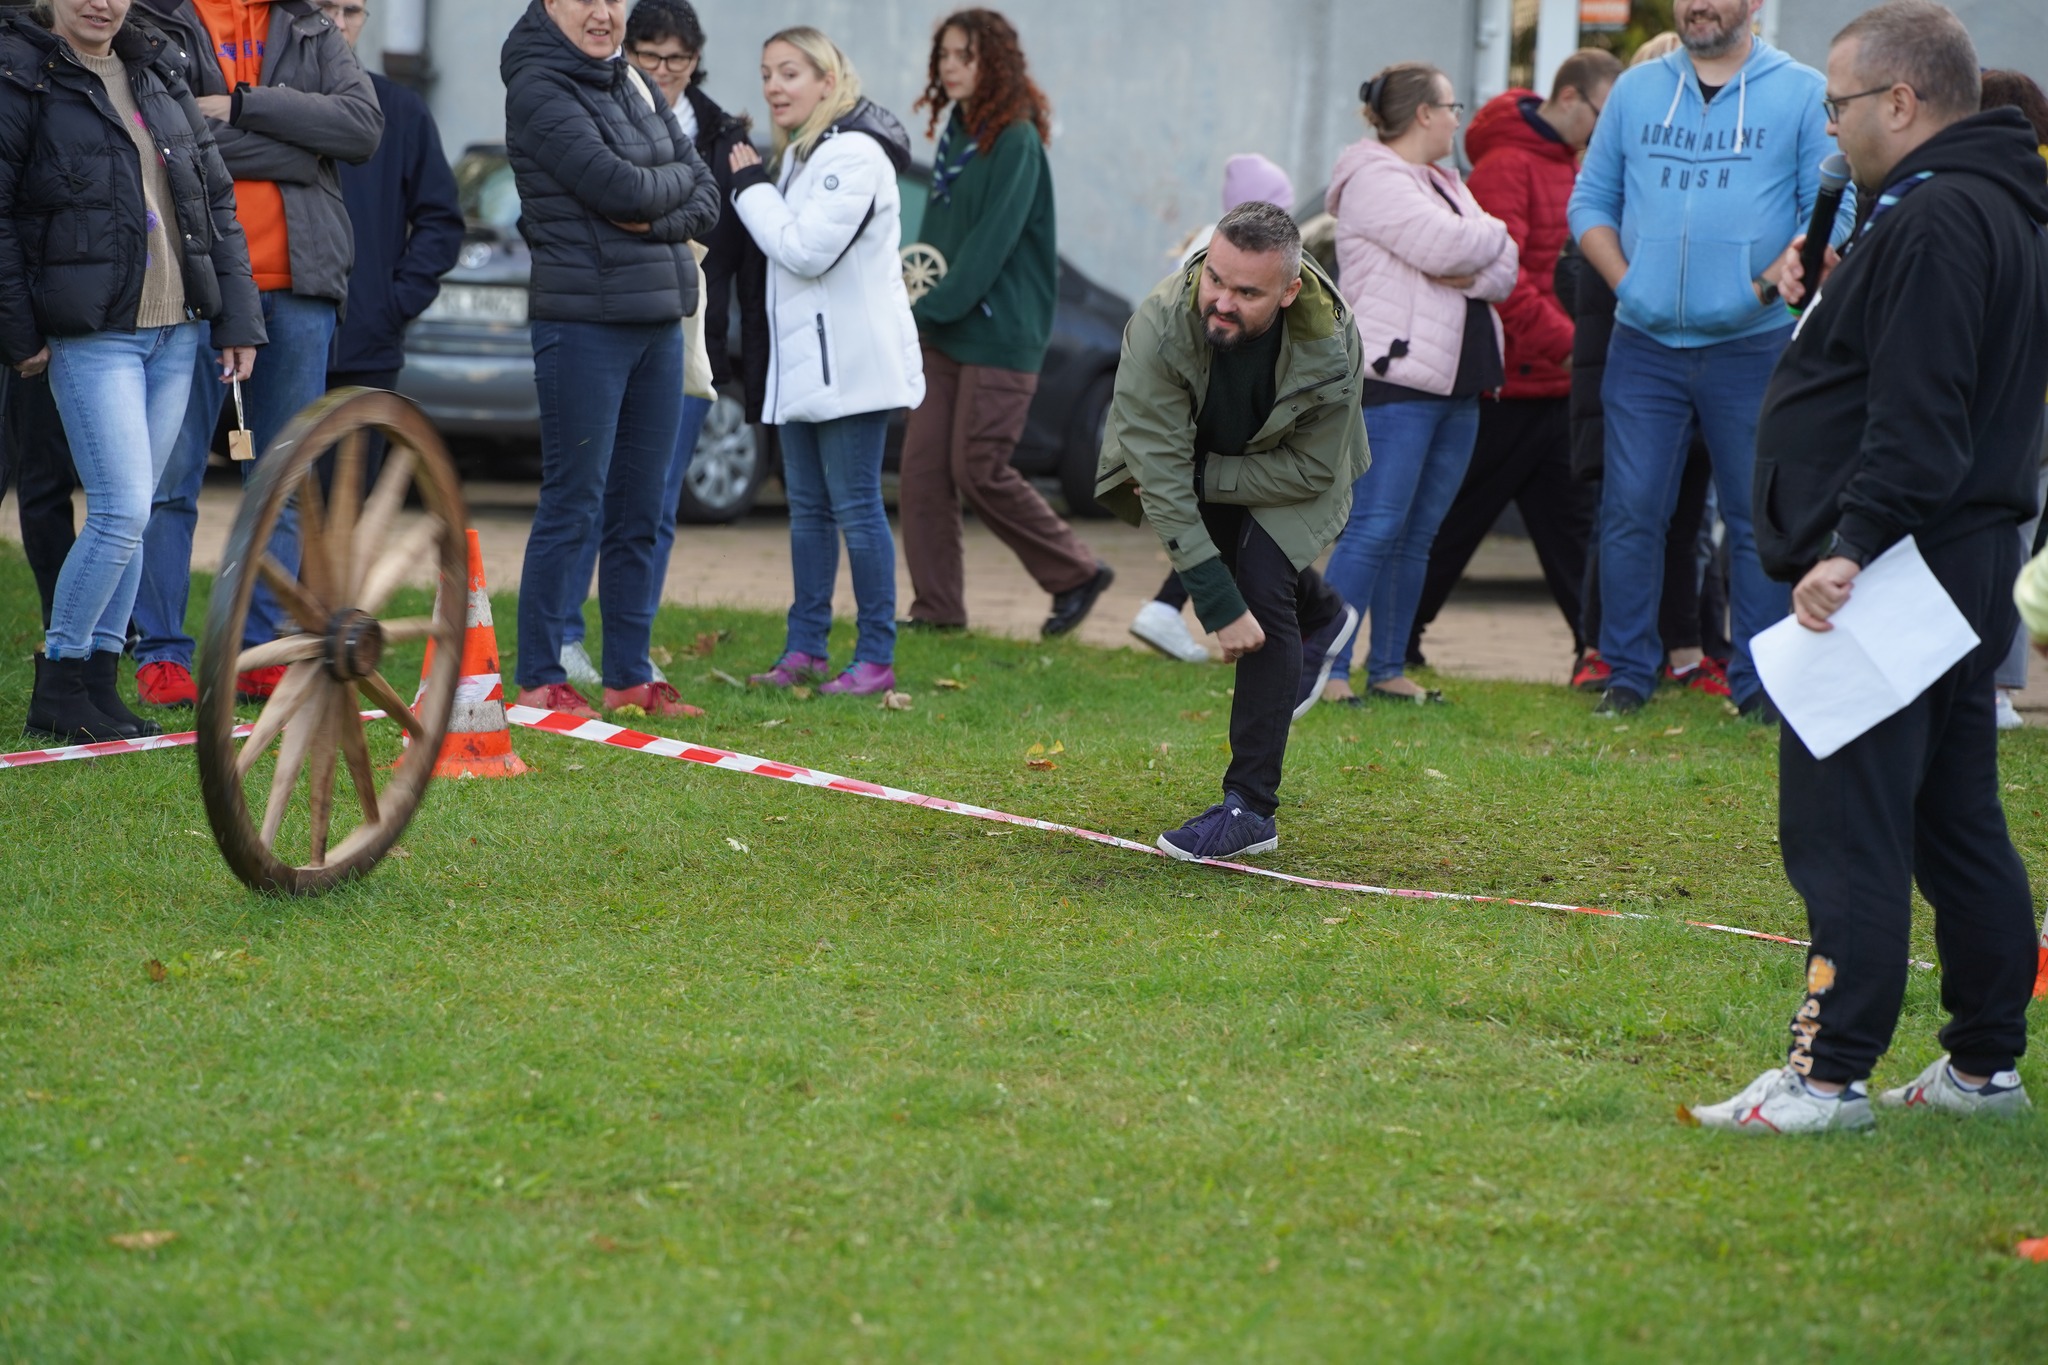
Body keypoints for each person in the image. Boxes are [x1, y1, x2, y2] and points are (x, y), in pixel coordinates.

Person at [1685, 2, 2048, 1134]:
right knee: (1951, 819)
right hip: (1955, 560)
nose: (1828, 128)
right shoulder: (1982, 205)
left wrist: (1844, 550)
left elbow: (1919, 422)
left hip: (1899, 568)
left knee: (1845, 823)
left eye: (1836, 106)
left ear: (1900, 101)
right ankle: (1980, 1068)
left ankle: (1826, 1076)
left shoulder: (1942, 222)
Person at [1567, 0, 1841, 720]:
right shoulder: (1636, 90)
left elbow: (1835, 208)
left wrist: (1773, 279)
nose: (1699, 4)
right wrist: (1633, 285)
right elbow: (1590, 202)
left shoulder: (1802, 90)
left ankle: (1757, 682)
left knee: (1756, 522)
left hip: (1754, 344)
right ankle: (1627, 672)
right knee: (1630, 513)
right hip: (1643, 346)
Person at [0, 0, 261, 742]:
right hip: (93, 333)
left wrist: (236, 319)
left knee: (136, 513)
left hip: (175, 330)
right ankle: (58, 681)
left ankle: (100, 685)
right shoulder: (21, 75)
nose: (101, 2)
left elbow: (214, 201)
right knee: (120, 509)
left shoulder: (157, 68)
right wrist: (19, 333)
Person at [128, 0, 382, 709]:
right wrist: (300, 147)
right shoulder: (156, 21)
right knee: (169, 475)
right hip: (188, 284)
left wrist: (241, 106)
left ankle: (261, 651)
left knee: (282, 480)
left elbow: (361, 129)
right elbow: (161, 140)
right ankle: (161, 654)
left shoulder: (310, 26)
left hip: (301, 287)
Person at [1093, 202, 1365, 860]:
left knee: (1263, 583)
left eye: (1247, 292)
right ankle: (1326, 616)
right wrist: (1217, 604)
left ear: (1290, 290)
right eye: (1216, 278)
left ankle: (1251, 808)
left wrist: (1203, 479)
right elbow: (1158, 476)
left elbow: (1307, 471)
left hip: (1294, 471)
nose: (1221, 300)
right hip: (1196, 457)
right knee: (1230, 572)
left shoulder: (1332, 340)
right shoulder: (1160, 323)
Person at [501, 0, 721, 721]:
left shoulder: (629, 79)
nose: (604, 13)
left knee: (642, 508)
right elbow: (618, 186)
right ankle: (540, 675)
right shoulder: (538, 86)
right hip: (583, 323)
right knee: (576, 500)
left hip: (660, 318)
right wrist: (661, 192)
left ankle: (629, 673)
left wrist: (652, 210)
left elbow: (704, 190)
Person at [556, 0, 766, 690]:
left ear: (695, 61)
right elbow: (610, 207)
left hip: (695, 333)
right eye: (650, 56)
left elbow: (726, 232)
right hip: (611, 319)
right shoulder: (600, 107)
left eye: (677, 59)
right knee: (587, 492)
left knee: (653, 502)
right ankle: (563, 638)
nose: (664, 70)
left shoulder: (724, 132)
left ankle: (632, 649)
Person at [897, 9, 1111, 641]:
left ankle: (1076, 571)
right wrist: (919, 299)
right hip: (945, 329)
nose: (951, 67)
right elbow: (939, 240)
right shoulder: (957, 131)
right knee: (922, 471)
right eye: (945, 56)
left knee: (979, 467)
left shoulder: (1015, 138)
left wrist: (926, 310)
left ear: (996, 63)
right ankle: (937, 610)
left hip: (1000, 333)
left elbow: (991, 245)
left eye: (966, 56)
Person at [1406, 50, 1618, 676]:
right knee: (1452, 523)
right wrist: (1576, 347)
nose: (1606, 133)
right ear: (1572, 98)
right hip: (1510, 388)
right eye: (1604, 115)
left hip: (1557, 388)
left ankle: (1597, 652)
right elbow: (1505, 281)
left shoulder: (1574, 165)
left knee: (1574, 529)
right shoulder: (1505, 165)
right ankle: (1397, 640)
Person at [731, 27, 922, 698]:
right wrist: (763, 179)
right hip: (810, 370)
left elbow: (805, 250)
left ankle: (875, 655)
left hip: (852, 370)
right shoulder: (805, 157)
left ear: (827, 81)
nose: (774, 87)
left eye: (789, 73)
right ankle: (806, 648)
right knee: (808, 509)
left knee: (857, 507)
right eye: (767, 74)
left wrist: (747, 184)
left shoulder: (854, 155)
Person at [1321, 63, 1516, 706]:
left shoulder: (1442, 181)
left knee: (1418, 534)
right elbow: (1449, 250)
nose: (1459, 117)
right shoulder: (1374, 177)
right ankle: (1328, 669)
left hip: (1459, 383)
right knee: (1376, 527)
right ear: (1425, 114)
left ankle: (1389, 668)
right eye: (1452, 105)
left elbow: (1503, 273)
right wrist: (1489, 237)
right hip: (1400, 382)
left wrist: (1478, 252)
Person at [1130, 151, 1296, 666]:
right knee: (1213, 508)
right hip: (1200, 423)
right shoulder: (1214, 260)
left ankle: (1174, 606)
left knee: (1224, 518)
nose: (1227, 298)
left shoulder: (1209, 246)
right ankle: (1167, 607)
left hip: (1205, 428)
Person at [319, 0, 462, 488]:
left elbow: (441, 221)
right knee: (280, 507)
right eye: (323, 8)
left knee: (347, 506)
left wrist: (393, 304)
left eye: (351, 11)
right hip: (278, 342)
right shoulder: (265, 104)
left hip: (367, 348)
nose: (337, 23)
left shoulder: (400, 111)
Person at [1979, 69, 2048, 731]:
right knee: (2021, 539)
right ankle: (2000, 686)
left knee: (1995, 537)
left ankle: (1992, 688)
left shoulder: (2002, 190)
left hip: (2009, 396)